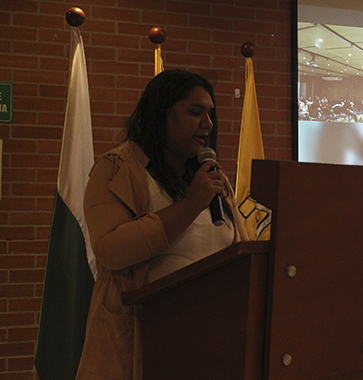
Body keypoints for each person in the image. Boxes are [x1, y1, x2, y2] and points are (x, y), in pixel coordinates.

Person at [75, 70, 249, 380]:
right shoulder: (116, 169)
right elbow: (111, 250)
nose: (207, 124)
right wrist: (190, 205)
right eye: (195, 112)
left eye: (210, 113)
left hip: (213, 341)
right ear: (161, 114)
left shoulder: (211, 176)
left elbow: (242, 255)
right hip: (144, 346)